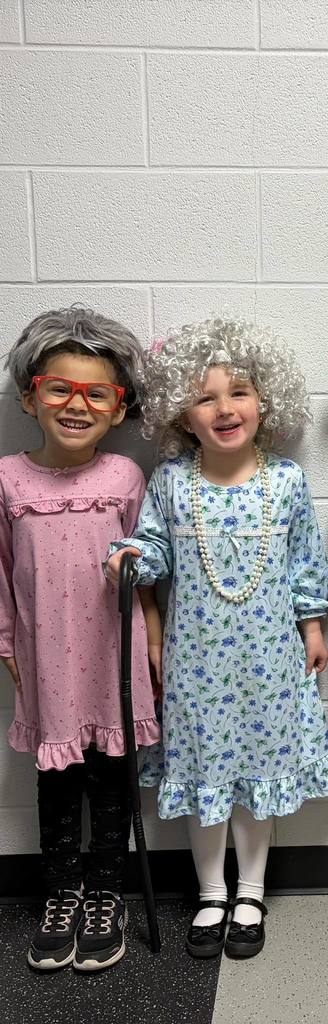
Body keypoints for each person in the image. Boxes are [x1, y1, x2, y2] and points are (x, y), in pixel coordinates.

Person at [105, 314, 328, 960]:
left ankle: (251, 890)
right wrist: (131, 556)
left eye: (237, 391)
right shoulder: (173, 483)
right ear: (182, 414)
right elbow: (152, 547)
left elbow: (304, 562)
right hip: (196, 668)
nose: (224, 407)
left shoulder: (287, 481)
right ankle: (211, 892)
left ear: (265, 401)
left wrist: (312, 624)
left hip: (269, 662)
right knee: (206, 780)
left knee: (257, 779)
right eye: (205, 396)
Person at [0, 307, 160, 972]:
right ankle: (60, 892)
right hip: (44, 657)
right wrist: (8, 645)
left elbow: (147, 564)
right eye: (60, 388)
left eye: (98, 393)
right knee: (58, 777)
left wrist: (153, 637)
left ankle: (105, 893)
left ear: (119, 407)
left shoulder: (124, 476)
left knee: (112, 776)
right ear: (31, 393)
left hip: (113, 655)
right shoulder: (7, 479)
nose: (77, 405)